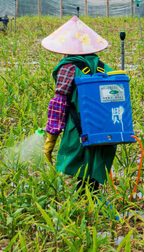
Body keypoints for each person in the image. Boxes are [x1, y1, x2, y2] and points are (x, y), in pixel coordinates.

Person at [41, 16, 115, 193]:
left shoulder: (68, 67)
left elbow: (59, 103)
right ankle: (92, 204)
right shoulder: (103, 67)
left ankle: (85, 207)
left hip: (80, 129)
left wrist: (51, 137)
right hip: (105, 128)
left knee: (82, 172)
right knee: (92, 172)